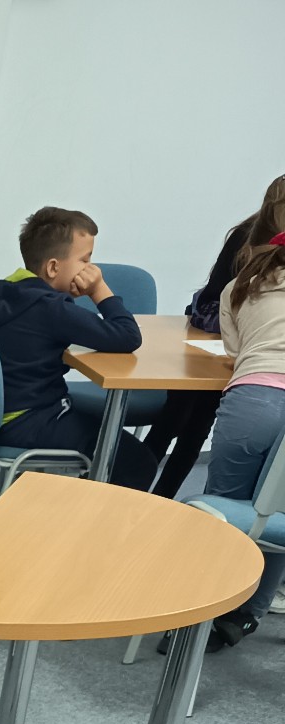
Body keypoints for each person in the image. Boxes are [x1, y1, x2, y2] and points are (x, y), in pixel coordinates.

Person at [0, 206, 157, 489]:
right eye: (85, 260)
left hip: (8, 416)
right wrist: (99, 290)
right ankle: (89, 516)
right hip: (30, 421)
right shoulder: (52, 309)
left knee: (105, 433)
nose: (91, 270)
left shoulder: (14, 292)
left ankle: (81, 501)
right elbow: (128, 337)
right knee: (137, 461)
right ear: (53, 267)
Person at [146, 177, 285, 498]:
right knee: (175, 420)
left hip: (245, 371)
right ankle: (139, 498)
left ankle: (162, 500)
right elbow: (210, 303)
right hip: (217, 351)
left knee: (197, 430)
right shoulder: (246, 238)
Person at [199, 186, 285, 651]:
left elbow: (233, 348)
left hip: (253, 398)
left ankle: (201, 610)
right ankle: (246, 616)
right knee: (276, 516)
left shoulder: (241, 287)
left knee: (222, 509)